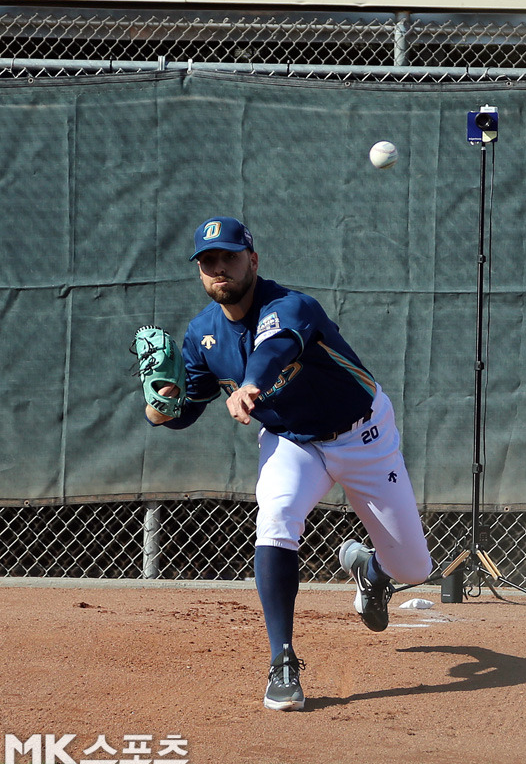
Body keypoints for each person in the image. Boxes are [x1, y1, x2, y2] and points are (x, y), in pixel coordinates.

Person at [144, 216, 432, 711]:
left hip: (363, 435)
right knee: (275, 520)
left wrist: (252, 384)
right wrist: (163, 409)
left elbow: (274, 350)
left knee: (415, 567)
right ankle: (282, 661)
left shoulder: (290, 306)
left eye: (229, 257)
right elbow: (189, 407)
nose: (219, 269)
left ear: (252, 261)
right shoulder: (202, 334)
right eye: (208, 261)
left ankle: (373, 568)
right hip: (292, 443)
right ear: (199, 272)